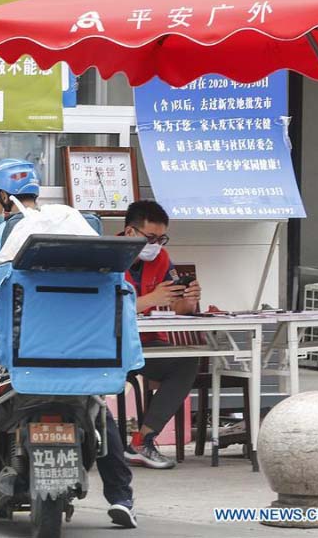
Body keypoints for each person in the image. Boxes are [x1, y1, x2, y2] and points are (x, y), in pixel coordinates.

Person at [0, 159, 137, 529]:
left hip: (17, 354)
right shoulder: (81, 229)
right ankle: (122, 498)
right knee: (101, 413)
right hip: (84, 355)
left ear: (2, 197)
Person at [120, 200, 202, 470]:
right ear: (130, 232)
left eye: (161, 238)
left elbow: (179, 308)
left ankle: (143, 440)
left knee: (187, 361)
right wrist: (149, 299)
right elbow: (105, 309)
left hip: (149, 345)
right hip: (111, 345)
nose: (157, 245)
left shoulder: (162, 258)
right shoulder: (106, 256)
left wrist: (188, 300)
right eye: (151, 238)